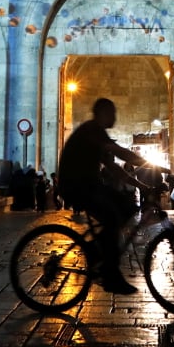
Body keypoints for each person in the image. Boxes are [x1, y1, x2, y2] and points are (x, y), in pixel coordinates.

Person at [56, 97, 146, 294]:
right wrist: (146, 162)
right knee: (113, 217)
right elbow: (119, 153)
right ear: (103, 113)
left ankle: (96, 251)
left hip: (87, 184)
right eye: (112, 112)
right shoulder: (92, 131)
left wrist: (141, 185)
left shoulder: (97, 134)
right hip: (77, 186)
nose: (115, 116)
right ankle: (110, 274)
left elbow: (114, 169)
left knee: (124, 206)